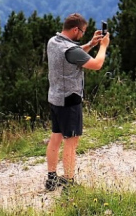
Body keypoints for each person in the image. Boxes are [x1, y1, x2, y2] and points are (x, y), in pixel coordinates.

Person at [45, 13, 110, 191]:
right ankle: (69, 182)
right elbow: (96, 64)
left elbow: (73, 56)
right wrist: (103, 47)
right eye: (82, 32)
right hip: (70, 99)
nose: (82, 34)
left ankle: (51, 178)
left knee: (55, 138)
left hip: (55, 97)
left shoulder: (53, 42)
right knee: (71, 142)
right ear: (75, 29)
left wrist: (90, 44)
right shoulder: (71, 50)